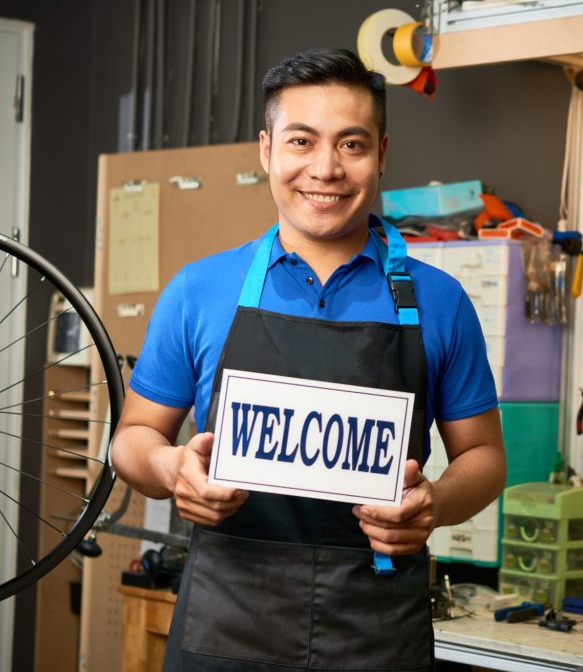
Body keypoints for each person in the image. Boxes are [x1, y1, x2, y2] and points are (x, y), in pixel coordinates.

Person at [111, 47, 506, 671]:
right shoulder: (199, 290)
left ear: (381, 154)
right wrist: (169, 467)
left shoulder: (441, 302)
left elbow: (484, 458)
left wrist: (435, 503)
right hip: (226, 624)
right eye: (302, 141)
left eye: (351, 145)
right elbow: (131, 438)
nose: (325, 168)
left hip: (377, 634)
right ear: (267, 150)